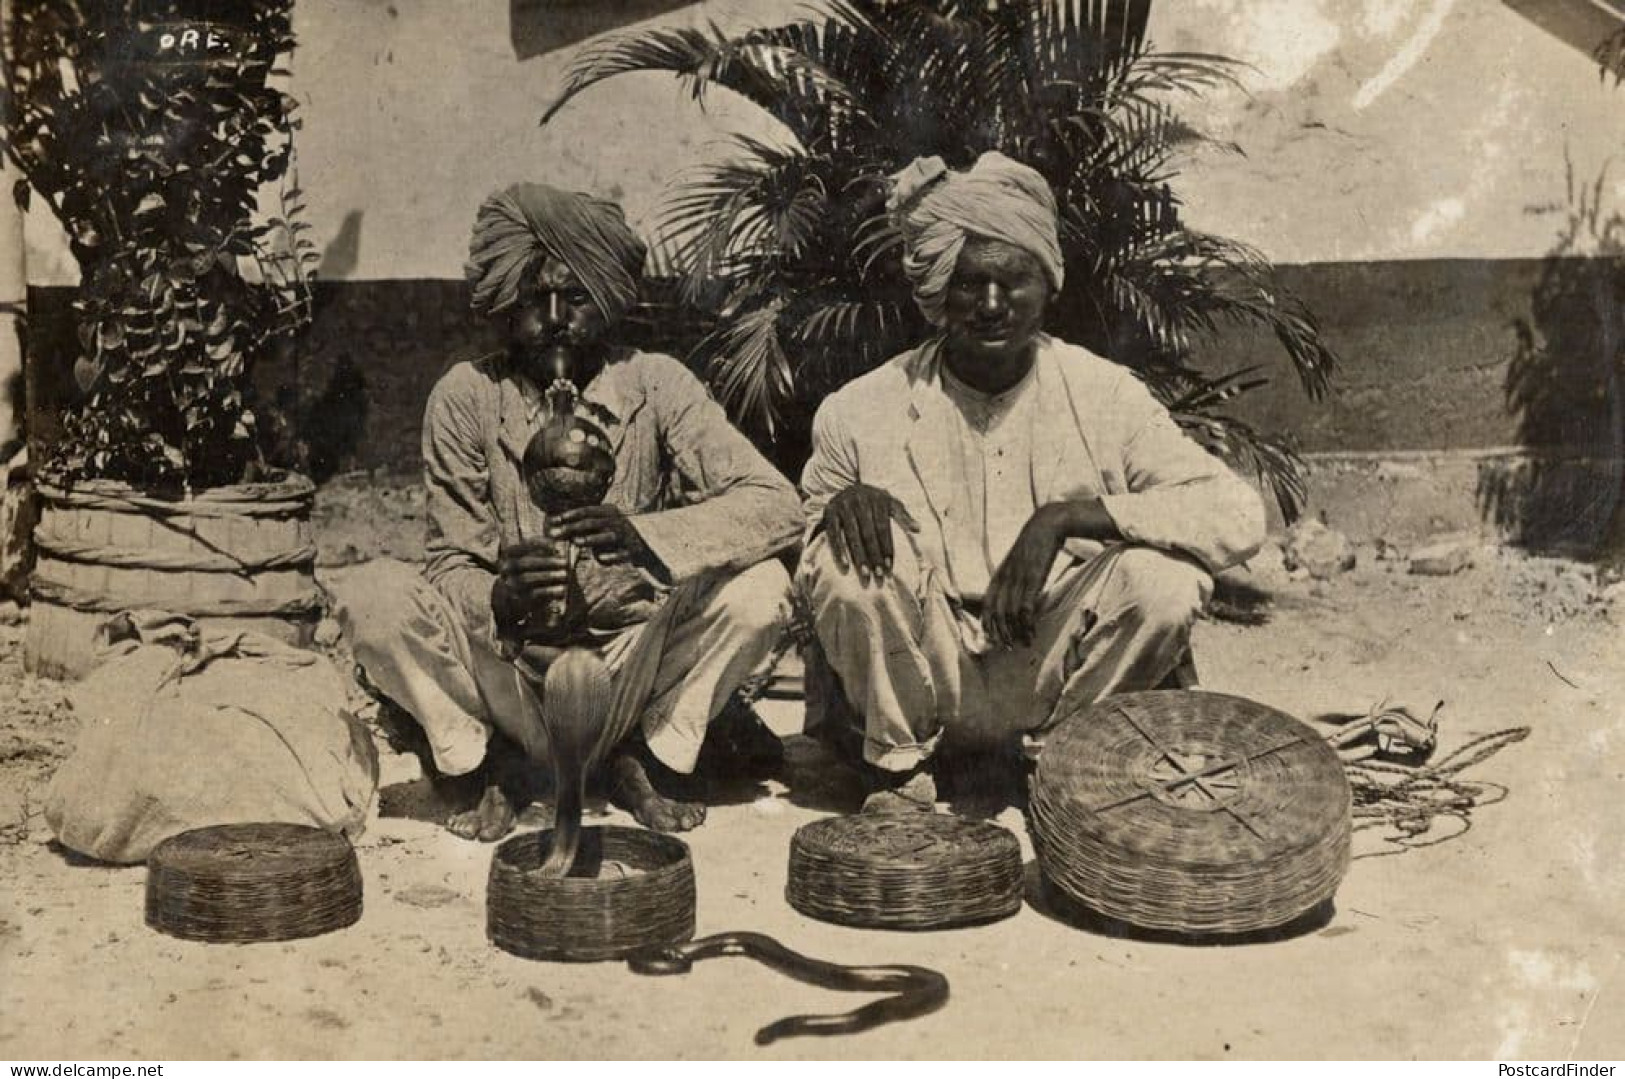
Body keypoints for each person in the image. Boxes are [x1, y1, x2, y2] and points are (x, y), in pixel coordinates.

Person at [797, 152, 1267, 811]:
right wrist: (840, 505)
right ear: (937, 292)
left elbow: (1237, 512)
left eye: (1013, 282)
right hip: (924, 672)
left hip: (1045, 667)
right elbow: (807, 555)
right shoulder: (861, 407)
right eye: (968, 283)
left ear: (1046, 286)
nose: (991, 305)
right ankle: (900, 778)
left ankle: (1059, 762)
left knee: (1166, 579)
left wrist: (1065, 517)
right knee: (846, 554)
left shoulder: (1102, 394)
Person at [338, 182, 802, 840]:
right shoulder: (467, 396)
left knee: (762, 588)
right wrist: (497, 596)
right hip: (512, 679)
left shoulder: (655, 382)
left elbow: (777, 506)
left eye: (576, 296)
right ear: (503, 304)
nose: (555, 318)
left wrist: (644, 537)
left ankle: (650, 756)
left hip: (629, 672)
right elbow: (447, 560)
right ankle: (484, 763)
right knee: (372, 595)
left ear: (608, 300)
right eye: (533, 298)